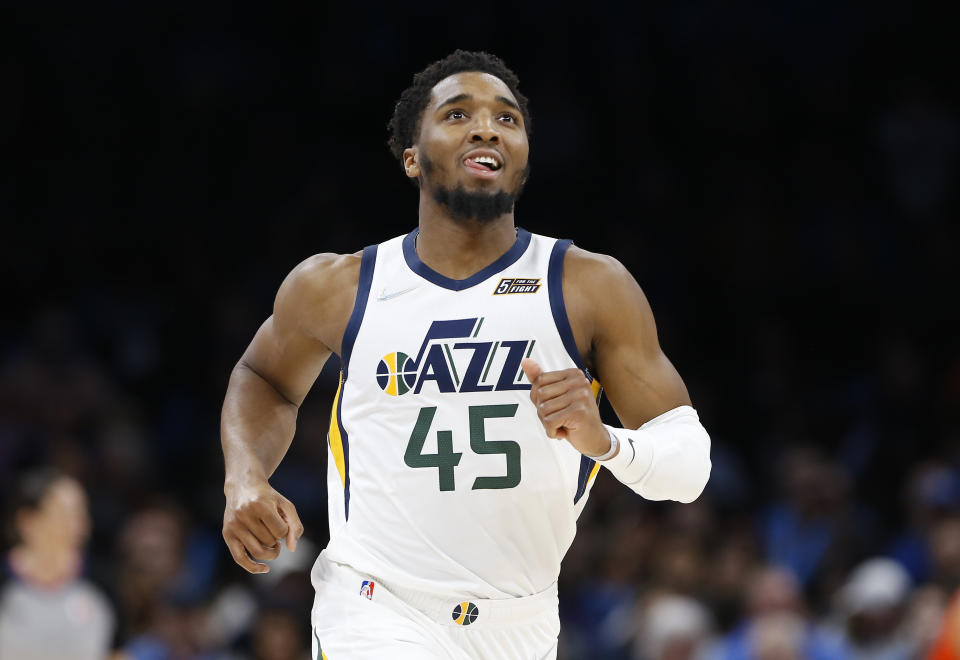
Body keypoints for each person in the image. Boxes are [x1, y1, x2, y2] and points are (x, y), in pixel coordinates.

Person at [221, 50, 712, 659]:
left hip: (520, 623)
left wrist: (605, 440)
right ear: (411, 157)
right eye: (457, 114)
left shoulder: (589, 287)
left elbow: (690, 469)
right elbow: (263, 376)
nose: (486, 127)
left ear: (524, 159)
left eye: (507, 119)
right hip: (375, 606)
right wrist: (244, 477)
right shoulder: (338, 287)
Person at [0, 467, 116, 660]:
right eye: (65, 514)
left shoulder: (102, 582)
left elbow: (117, 651)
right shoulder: (4, 583)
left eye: (81, 513)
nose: (78, 525)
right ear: (27, 521)